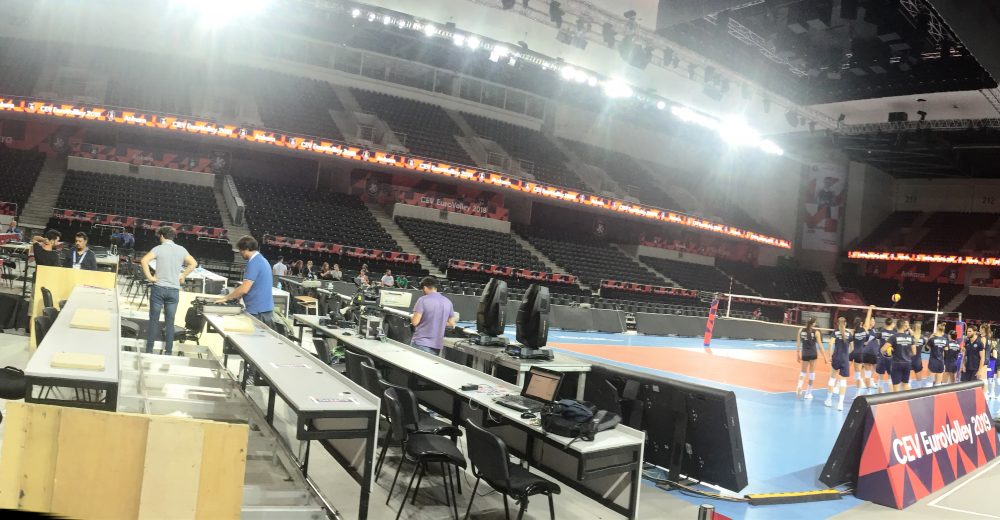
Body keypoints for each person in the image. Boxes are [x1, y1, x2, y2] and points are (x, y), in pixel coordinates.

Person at [140, 226, 197, 355]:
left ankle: (149, 350)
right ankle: (168, 352)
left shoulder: (158, 249)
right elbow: (193, 263)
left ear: (161, 236)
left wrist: (150, 277)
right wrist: (183, 275)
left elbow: (144, 261)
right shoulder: (181, 249)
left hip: (159, 288)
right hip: (173, 290)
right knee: (170, 322)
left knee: (154, 320)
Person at [217, 236, 274, 327]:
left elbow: (244, 289)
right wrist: (236, 295)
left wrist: (226, 298)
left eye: (240, 250)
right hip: (264, 309)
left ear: (246, 249)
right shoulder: (262, 259)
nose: (240, 253)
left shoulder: (254, 263)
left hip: (258, 312)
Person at [410, 277, 456, 356]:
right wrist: (436, 322)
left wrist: (412, 316)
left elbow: (415, 322)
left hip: (420, 343)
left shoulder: (422, 300)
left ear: (425, 288)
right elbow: (451, 323)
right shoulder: (448, 302)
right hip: (437, 346)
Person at [825, 316, 851, 411]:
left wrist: (829, 355)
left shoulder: (835, 332)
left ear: (837, 324)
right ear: (845, 323)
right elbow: (852, 348)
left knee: (832, 378)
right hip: (845, 359)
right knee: (843, 381)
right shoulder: (849, 334)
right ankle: (840, 404)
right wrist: (848, 356)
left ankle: (829, 400)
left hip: (836, 357)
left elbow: (830, 344)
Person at [796, 317, 825, 400]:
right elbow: (820, 346)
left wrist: (798, 354)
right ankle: (808, 393)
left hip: (804, 354)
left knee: (803, 372)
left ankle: (799, 386)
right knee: (812, 373)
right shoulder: (816, 332)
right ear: (814, 323)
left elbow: (798, 343)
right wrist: (825, 357)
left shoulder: (801, 330)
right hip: (813, 354)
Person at [884, 319, 915, 392]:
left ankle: (897, 399)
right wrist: (907, 355)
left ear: (896, 327)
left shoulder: (893, 337)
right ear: (904, 326)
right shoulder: (910, 337)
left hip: (897, 363)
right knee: (905, 384)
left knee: (896, 385)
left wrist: (886, 354)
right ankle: (907, 398)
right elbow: (914, 352)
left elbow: (883, 349)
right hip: (907, 363)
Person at [874, 317, 894, 393]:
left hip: (882, 356)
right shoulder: (895, 333)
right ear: (892, 324)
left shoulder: (881, 332)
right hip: (891, 357)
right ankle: (892, 394)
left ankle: (879, 393)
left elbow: (875, 339)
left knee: (880, 377)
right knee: (890, 377)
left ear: (885, 323)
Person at [926, 322, 949, 387]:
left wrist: (930, 338)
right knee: (938, 383)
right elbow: (946, 353)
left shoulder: (932, 339)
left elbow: (926, 349)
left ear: (936, 329)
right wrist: (944, 364)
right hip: (941, 362)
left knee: (929, 382)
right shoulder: (945, 340)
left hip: (933, 362)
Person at [910, 321, 926, 388]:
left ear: (913, 328)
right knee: (919, 379)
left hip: (909, 359)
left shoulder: (909, 338)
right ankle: (919, 390)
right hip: (918, 360)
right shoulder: (923, 338)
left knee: (907, 379)